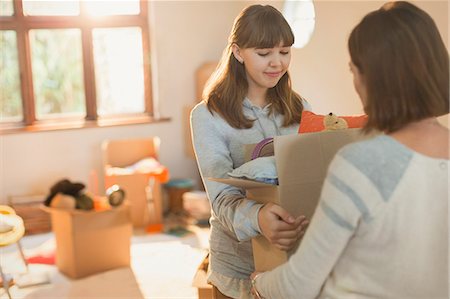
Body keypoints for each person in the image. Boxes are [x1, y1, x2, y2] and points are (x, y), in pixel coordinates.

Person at [250, 1, 449, 298]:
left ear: (372, 79)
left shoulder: (361, 163)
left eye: (354, 70)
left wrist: (258, 282)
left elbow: (297, 286)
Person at [190, 4, 311, 298]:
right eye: (264, 52)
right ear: (237, 52)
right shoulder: (207, 116)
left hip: (295, 266)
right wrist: (259, 218)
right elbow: (221, 198)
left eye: (285, 52)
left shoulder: (300, 108)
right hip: (238, 270)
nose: (277, 63)